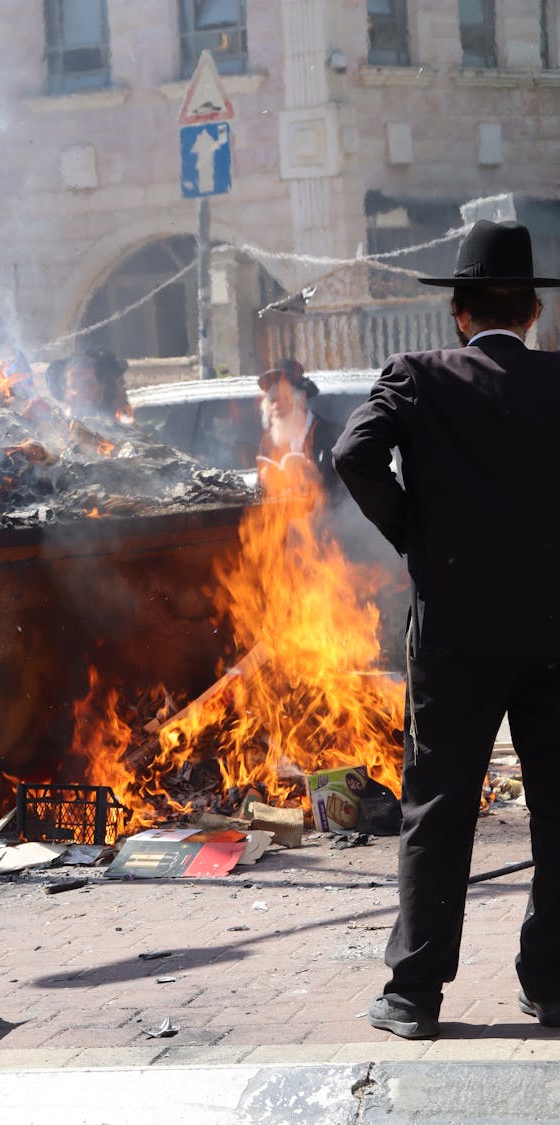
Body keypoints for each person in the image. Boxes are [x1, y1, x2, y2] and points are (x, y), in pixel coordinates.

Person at [331, 219, 560, 1040]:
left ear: (458, 312)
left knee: (439, 808)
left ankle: (414, 996)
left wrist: (417, 536)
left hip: (456, 633)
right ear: (532, 312)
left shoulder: (418, 376)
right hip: (554, 633)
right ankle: (554, 985)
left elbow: (354, 454)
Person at [256, 357, 341, 497]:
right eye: (272, 400)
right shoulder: (267, 442)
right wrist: (263, 482)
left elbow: (346, 490)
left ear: (300, 399)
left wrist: (320, 480)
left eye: (284, 398)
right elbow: (260, 497)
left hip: (325, 517)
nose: (276, 406)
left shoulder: (331, 434)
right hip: (283, 517)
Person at [46, 347, 132, 420]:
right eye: (86, 385)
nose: (98, 389)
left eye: (97, 383)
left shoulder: (111, 425)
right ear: (64, 390)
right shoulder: (59, 429)